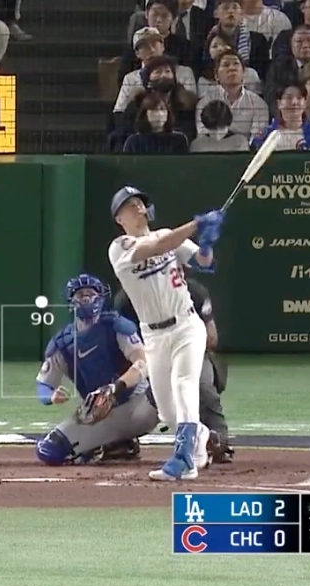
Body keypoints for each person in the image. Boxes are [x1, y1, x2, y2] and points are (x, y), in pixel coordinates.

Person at [106, 186, 224, 481]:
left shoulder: (168, 235)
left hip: (186, 325)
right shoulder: (120, 247)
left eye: (139, 203)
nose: (137, 208)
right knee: (167, 411)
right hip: (154, 335)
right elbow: (155, 248)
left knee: (184, 383)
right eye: (129, 205)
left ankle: (184, 459)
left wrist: (206, 244)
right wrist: (196, 225)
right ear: (119, 218)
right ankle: (201, 436)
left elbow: (205, 264)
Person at [32, 274, 159, 466]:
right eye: (80, 294)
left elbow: (143, 363)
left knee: (171, 387)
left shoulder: (116, 326)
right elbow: (43, 385)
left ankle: (196, 439)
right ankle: (113, 445)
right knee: (49, 451)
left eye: (90, 294)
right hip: (99, 415)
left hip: (138, 405)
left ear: (100, 298)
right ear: (71, 301)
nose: (85, 299)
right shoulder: (62, 343)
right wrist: (51, 396)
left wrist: (115, 388)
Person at [112, 272, 234, 463]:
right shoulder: (126, 300)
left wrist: (182, 351)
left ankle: (219, 441)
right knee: (154, 408)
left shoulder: (193, 291)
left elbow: (211, 337)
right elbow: (129, 344)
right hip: (150, 355)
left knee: (202, 387)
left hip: (190, 348)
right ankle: (120, 441)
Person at [252, 83, 310, 150]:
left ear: (305, 104)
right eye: (289, 98)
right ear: (279, 104)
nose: (294, 102)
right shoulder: (264, 137)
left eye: (299, 98)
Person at [123, 94, 192, 153]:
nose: (159, 114)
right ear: (145, 114)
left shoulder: (179, 140)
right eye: (153, 110)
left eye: (162, 109)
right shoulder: (133, 142)